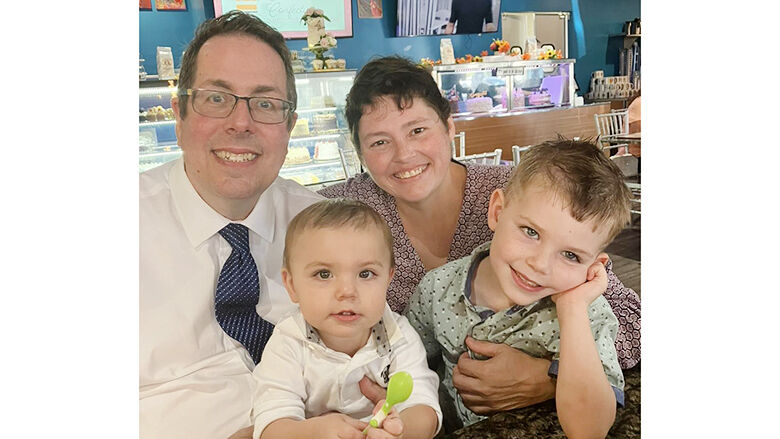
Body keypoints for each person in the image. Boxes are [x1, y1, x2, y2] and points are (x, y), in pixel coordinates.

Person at [317, 56, 640, 422]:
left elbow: (631, 322)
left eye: (418, 130)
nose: (404, 154)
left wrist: (548, 377)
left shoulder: (524, 193)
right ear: (359, 154)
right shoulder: (340, 214)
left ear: (448, 126)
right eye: (379, 142)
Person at [140, 11, 323, 439]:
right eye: (216, 99)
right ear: (179, 116)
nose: (241, 123)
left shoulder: (320, 225)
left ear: (290, 128)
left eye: (266, 104)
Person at [406, 139, 630, 437]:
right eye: (530, 232)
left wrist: (572, 310)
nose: (540, 264)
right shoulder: (436, 288)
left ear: (593, 266)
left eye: (570, 255)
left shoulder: (587, 313)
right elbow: (406, 365)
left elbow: (589, 430)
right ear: (498, 212)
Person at [252, 199, 441, 439]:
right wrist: (313, 432)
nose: (347, 291)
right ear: (292, 285)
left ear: (388, 279)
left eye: (366, 274)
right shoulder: (288, 343)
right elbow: (271, 426)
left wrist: (401, 431)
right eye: (324, 274)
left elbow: (424, 410)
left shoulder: (398, 335)